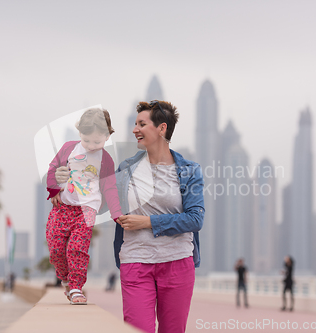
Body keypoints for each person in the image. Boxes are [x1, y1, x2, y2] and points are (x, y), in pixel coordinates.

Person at [114, 100, 205, 333]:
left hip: (177, 263)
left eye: (142, 124)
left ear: (162, 128)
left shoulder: (189, 170)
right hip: (136, 261)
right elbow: (105, 203)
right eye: (135, 124)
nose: (135, 129)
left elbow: (195, 219)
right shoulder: (125, 169)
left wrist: (148, 222)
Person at [46, 108, 122, 304]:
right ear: (80, 132)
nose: (91, 146)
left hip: (86, 211)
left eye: (97, 142)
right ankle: (65, 280)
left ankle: (77, 288)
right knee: (56, 249)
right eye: (86, 140)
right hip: (62, 207)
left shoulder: (105, 159)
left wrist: (116, 213)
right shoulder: (68, 148)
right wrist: (53, 190)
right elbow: (53, 169)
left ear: (107, 137)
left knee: (77, 248)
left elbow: (110, 188)